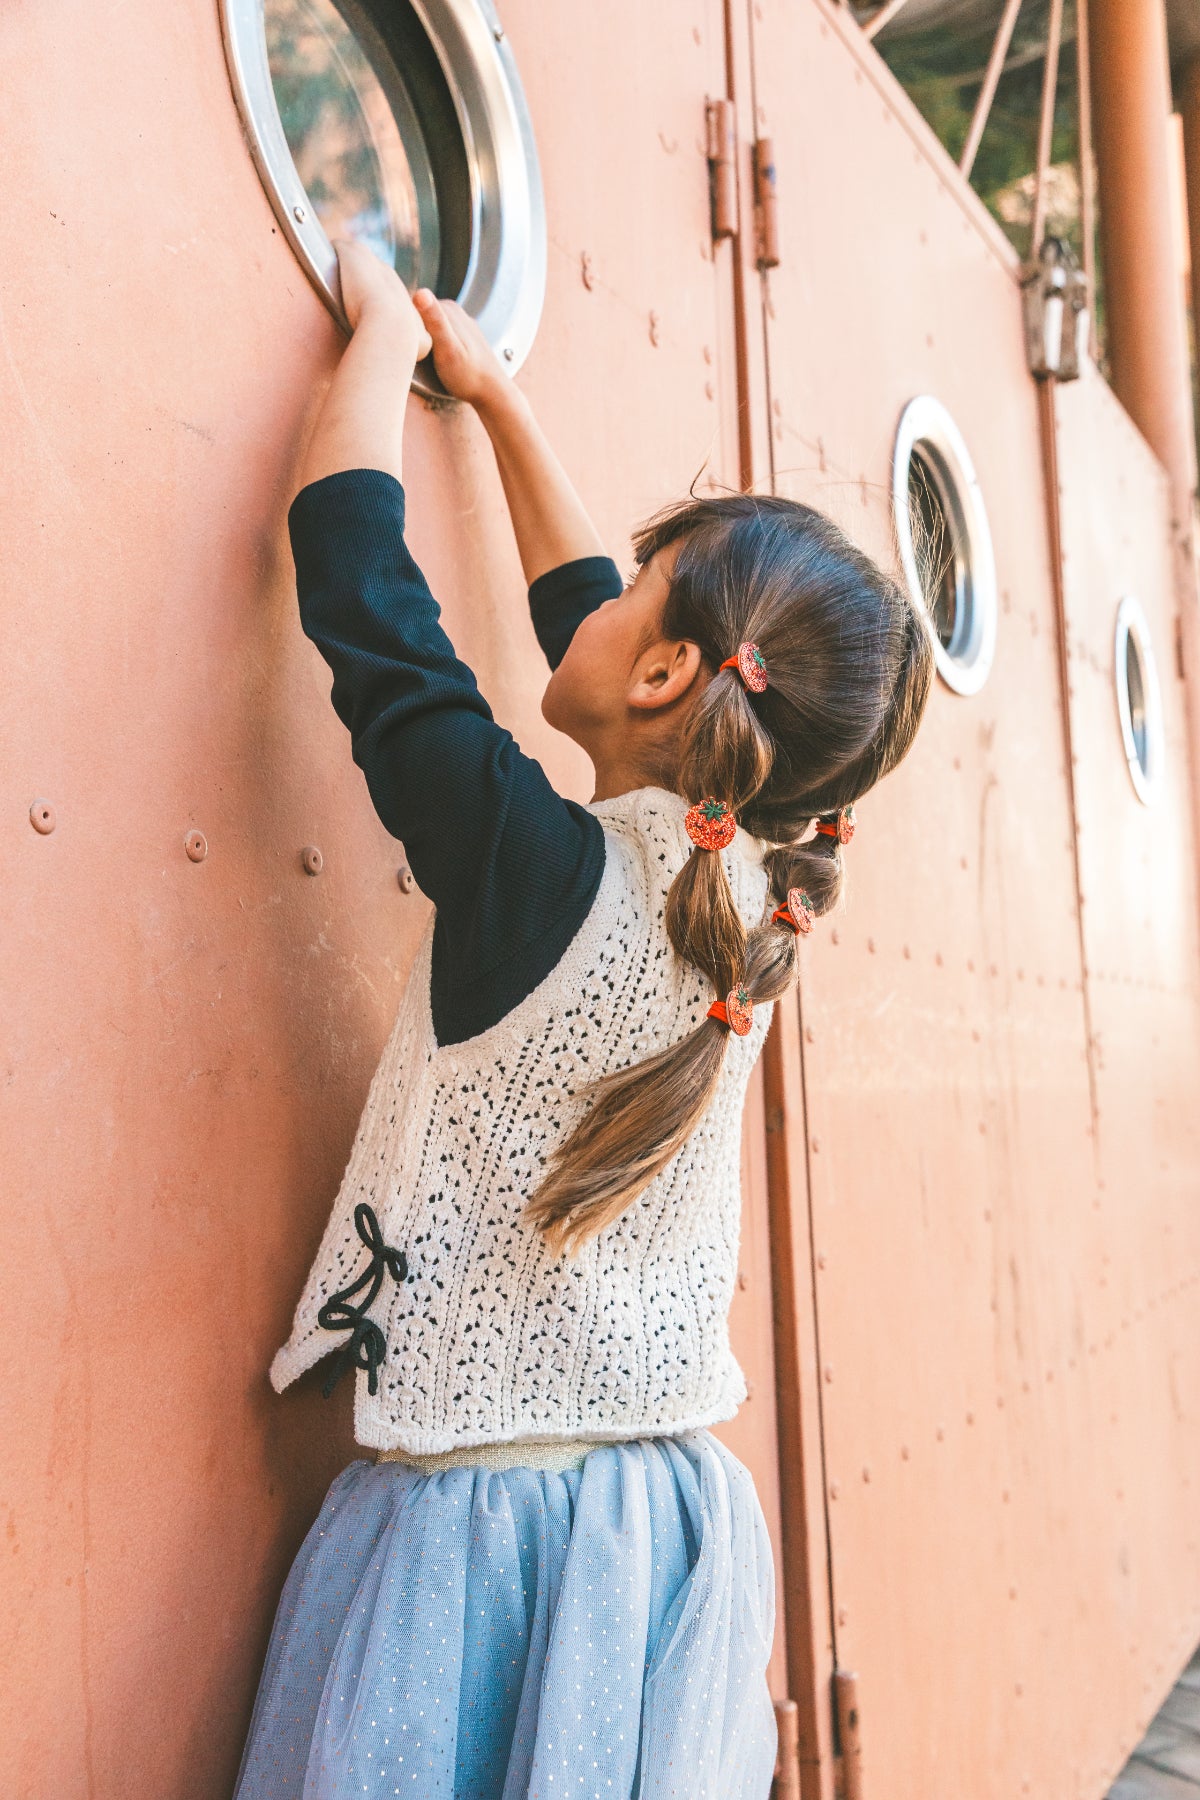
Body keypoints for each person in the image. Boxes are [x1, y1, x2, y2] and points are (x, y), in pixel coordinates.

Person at [232, 236, 934, 1800]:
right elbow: (595, 644)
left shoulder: (530, 871)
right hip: (659, 1529)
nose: (596, 607)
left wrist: (365, 336)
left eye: (638, 598)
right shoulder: (747, 890)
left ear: (675, 666)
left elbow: (356, 571)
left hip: (475, 1552)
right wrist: (490, 394)